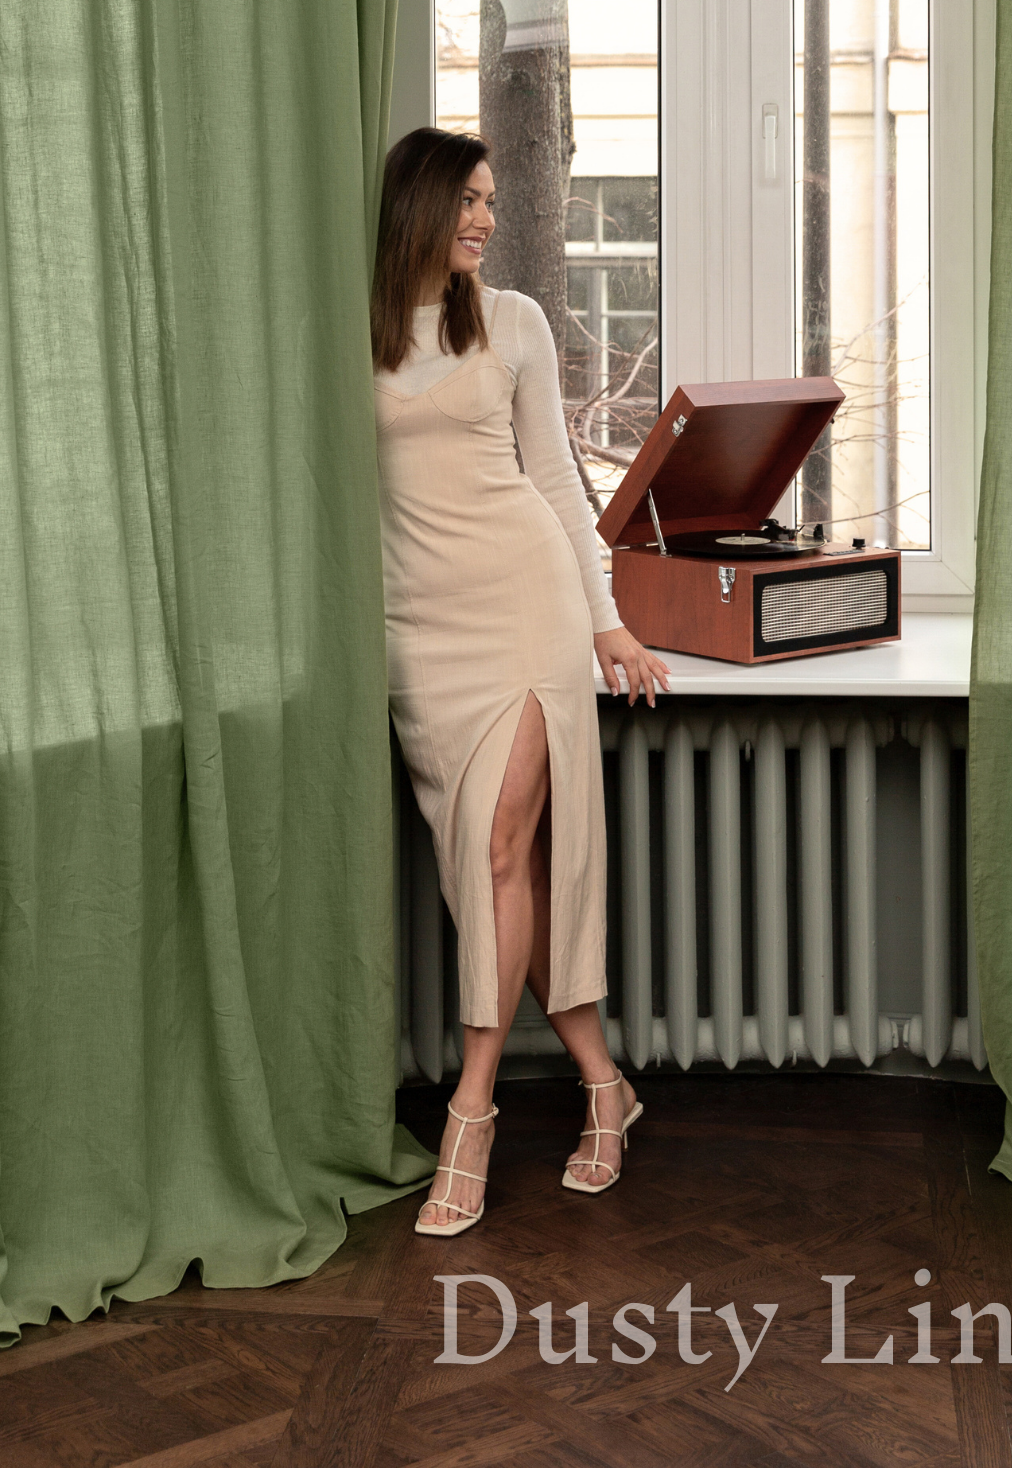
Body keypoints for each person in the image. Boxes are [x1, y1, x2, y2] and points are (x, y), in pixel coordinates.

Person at [372, 126, 669, 1234]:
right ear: (420, 208)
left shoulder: (515, 323)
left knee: (502, 847)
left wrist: (609, 624)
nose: (485, 222)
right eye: (468, 204)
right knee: (489, 878)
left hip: (525, 610)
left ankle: (471, 1115)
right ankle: (606, 1084)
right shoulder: (355, 332)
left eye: (493, 202)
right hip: (419, 633)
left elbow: (556, 480)